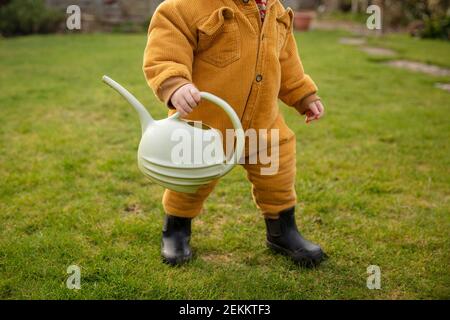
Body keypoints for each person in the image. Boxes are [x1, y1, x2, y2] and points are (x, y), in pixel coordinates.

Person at [143, 0, 326, 267]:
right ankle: (176, 230)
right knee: (190, 182)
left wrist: (304, 95)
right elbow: (165, 51)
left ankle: (282, 230)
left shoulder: (274, 11)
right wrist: (175, 84)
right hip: (204, 128)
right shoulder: (185, 7)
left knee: (277, 176)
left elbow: (286, 62)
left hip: (263, 128)